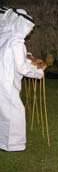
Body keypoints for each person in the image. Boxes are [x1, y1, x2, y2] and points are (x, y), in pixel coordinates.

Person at [0, 10, 47, 151]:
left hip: (3, 79)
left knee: (5, 111)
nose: (30, 33)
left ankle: (4, 142)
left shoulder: (7, 37)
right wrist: (39, 71)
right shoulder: (17, 42)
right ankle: (14, 145)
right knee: (15, 111)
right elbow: (21, 68)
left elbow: (17, 59)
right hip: (7, 82)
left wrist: (31, 60)